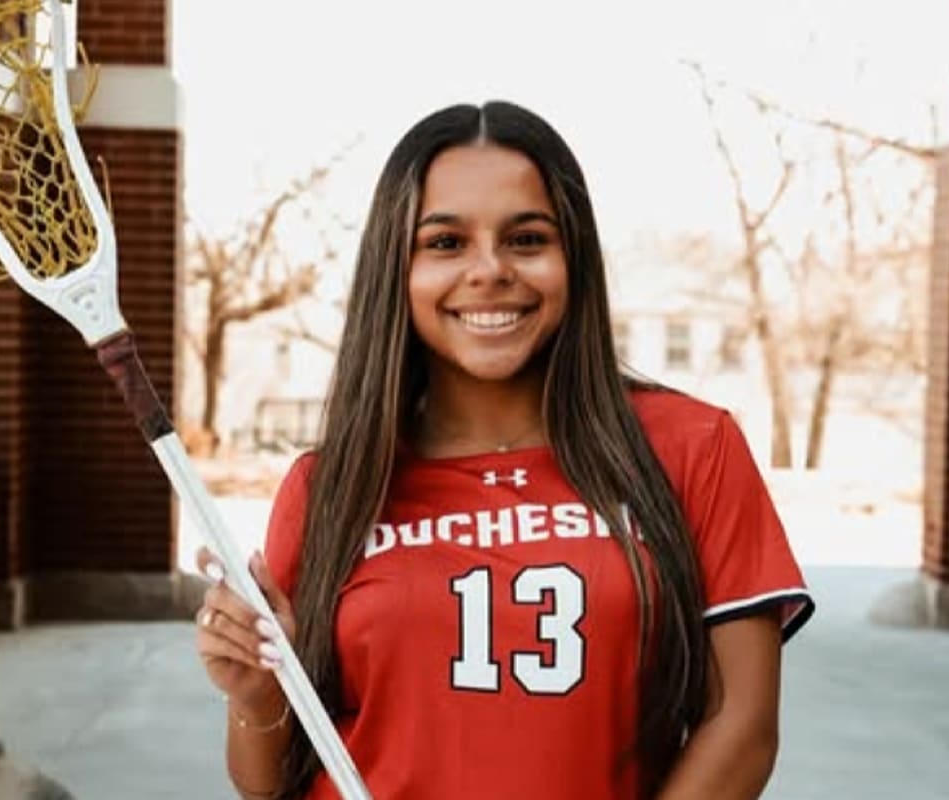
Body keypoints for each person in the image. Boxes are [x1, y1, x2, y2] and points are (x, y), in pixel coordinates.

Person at [193, 100, 814, 800]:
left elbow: (741, 723)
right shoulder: (330, 486)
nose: (489, 270)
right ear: (395, 269)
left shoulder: (692, 447)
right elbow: (268, 779)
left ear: (572, 255)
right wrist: (254, 695)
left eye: (525, 239)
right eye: (446, 243)